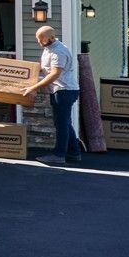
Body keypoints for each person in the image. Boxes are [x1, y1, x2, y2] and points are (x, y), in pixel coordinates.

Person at [22, 26, 83, 165]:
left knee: (61, 124)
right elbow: (44, 69)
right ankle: (74, 153)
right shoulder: (49, 48)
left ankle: (59, 155)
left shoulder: (59, 51)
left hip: (64, 91)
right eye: (37, 38)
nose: (38, 41)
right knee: (65, 123)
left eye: (41, 38)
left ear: (50, 37)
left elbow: (55, 74)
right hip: (60, 90)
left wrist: (33, 87)